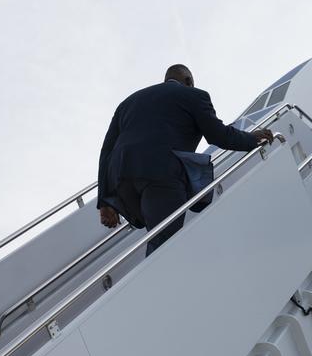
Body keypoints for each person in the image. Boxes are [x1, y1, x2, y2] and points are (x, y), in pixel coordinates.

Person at [97, 64, 274, 254]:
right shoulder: (194, 95)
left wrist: (105, 202)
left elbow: (106, 151)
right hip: (161, 174)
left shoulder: (127, 103)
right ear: (188, 81)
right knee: (164, 245)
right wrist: (251, 138)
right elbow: (219, 135)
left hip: (122, 179)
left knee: (156, 232)